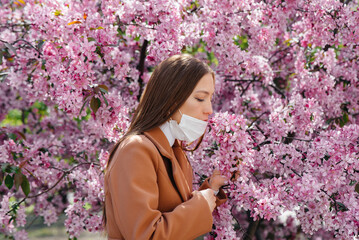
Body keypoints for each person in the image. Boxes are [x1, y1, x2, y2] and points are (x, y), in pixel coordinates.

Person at [103, 54, 228, 240]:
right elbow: (147, 235)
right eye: (201, 98)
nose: (209, 109)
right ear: (171, 99)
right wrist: (202, 204)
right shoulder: (135, 150)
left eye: (210, 98)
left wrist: (211, 190)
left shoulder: (174, 151)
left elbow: (175, 211)